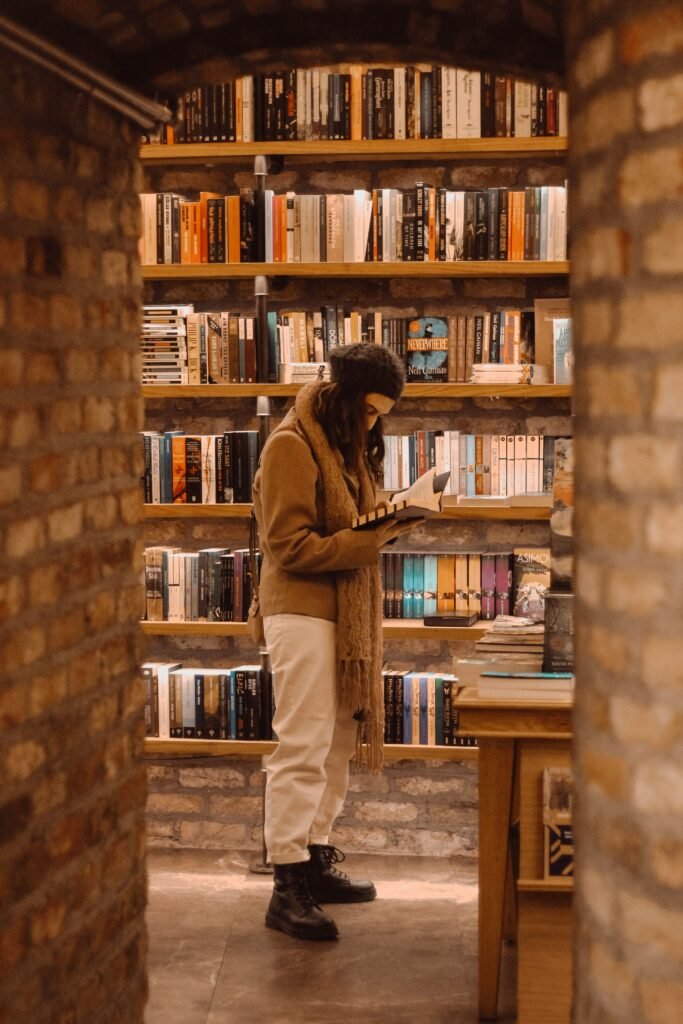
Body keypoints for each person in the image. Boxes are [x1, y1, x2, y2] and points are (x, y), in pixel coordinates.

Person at [251, 342, 421, 942]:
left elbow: (351, 526)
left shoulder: (349, 451)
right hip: (300, 612)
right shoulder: (291, 446)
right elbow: (288, 546)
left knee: (338, 740)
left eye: (382, 414)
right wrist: (365, 543)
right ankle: (286, 883)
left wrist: (391, 520)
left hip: (342, 616)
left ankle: (316, 857)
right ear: (345, 398)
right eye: (369, 411)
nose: (373, 423)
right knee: (301, 745)